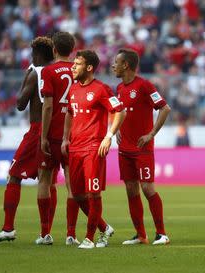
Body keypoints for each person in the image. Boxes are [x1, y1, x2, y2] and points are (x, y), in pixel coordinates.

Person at [0, 36, 55, 243]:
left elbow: (20, 104)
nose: (30, 55)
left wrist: (26, 80)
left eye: (32, 52)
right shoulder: (56, 72)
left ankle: (8, 228)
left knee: (14, 175)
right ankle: (46, 233)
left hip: (37, 130)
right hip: (54, 130)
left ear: (37, 54)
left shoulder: (35, 73)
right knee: (48, 181)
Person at [62, 50, 126, 249]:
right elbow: (70, 114)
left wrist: (108, 136)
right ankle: (104, 227)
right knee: (78, 195)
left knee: (93, 194)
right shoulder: (72, 89)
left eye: (78, 64)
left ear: (89, 68)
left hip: (93, 148)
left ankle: (90, 237)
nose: (73, 67)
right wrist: (66, 138)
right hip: (75, 148)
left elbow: (120, 111)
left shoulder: (101, 89)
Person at [112, 48, 171, 245]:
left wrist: (151, 134)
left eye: (116, 62)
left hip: (142, 148)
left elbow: (165, 108)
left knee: (147, 188)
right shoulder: (119, 88)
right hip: (124, 148)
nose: (113, 65)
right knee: (131, 190)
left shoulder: (145, 86)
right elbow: (118, 112)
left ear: (126, 65)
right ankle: (141, 235)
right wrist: (117, 127)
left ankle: (162, 234)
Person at [35, 31, 81, 245]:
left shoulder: (48, 71)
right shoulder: (78, 70)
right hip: (73, 134)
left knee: (44, 180)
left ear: (54, 49)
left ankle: (45, 234)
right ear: (72, 50)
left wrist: (43, 136)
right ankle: (71, 234)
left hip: (53, 134)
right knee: (72, 185)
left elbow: (48, 105)